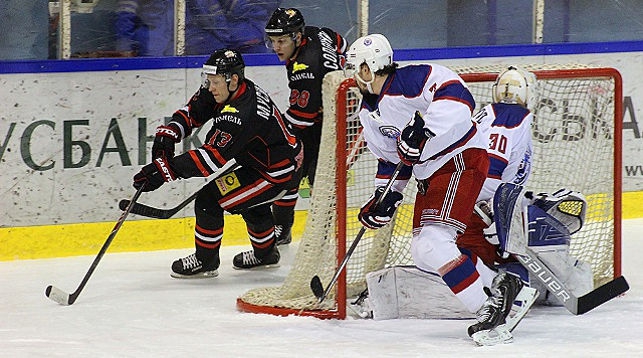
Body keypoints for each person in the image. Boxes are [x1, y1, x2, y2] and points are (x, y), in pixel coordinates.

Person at [344, 34, 534, 344]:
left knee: (433, 243)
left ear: (367, 68)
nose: (352, 75)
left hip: (460, 159)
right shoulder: (369, 114)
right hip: (432, 173)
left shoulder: (411, 79)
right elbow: (391, 160)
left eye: (355, 67)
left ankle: (487, 307)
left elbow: (459, 96)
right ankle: (503, 284)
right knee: (424, 253)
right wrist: (384, 197)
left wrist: (426, 130)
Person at [132, 49, 303, 278]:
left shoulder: (240, 113)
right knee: (251, 203)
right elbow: (194, 111)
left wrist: (164, 171)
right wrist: (168, 134)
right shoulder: (229, 89)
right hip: (268, 162)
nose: (210, 87)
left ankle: (206, 261)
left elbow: (210, 159)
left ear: (232, 80)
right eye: (208, 81)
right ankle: (266, 254)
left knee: (208, 201)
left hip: (275, 173)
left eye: (215, 82)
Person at [264, 7, 347, 245]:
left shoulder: (305, 68)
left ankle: (320, 236)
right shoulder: (318, 33)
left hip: (332, 125)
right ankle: (285, 228)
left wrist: (267, 132)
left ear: (297, 37)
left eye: (281, 41)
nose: (277, 47)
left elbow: (301, 118)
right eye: (273, 41)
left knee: (316, 179)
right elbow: (341, 42)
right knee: (293, 170)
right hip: (330, 114)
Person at [456, 66, 535, 278]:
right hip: (481, 204)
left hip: (465, 197)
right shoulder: (513, 116)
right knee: (465, 259)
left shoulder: (485, 115)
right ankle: (501, 283)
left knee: (460, 253)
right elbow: (491, 167)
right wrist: (498, 206)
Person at [115, 0, 280, 56]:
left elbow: (212, 14)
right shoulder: (145, 37)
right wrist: (125, 42)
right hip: (154, 37)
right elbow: (126, 13)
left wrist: (224, 35)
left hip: (193, 37)